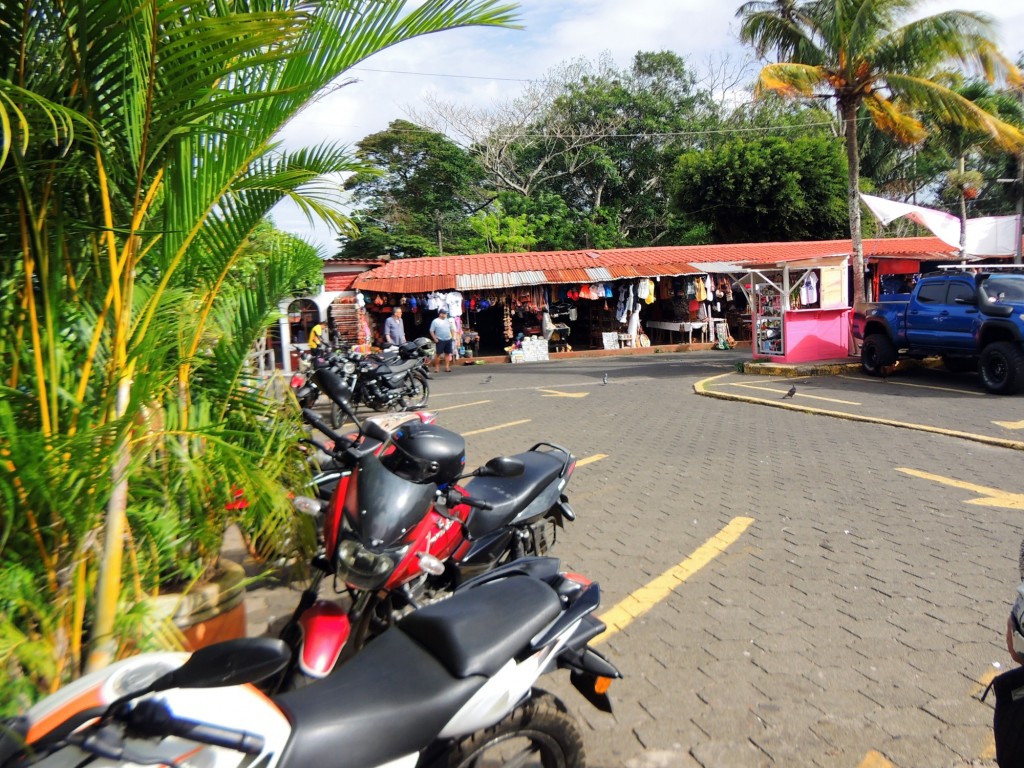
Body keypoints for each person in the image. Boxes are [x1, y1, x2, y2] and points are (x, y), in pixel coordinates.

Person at [429, 308, 454, 373]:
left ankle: (447, 367)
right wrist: (435, 338)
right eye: (444, 313)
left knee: (447, 354)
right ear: (440, 314)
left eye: (446, 313)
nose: (445, 314)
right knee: (438, 354)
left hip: (448, 339)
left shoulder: (448, 320)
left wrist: (453, 337)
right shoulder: (435, 321)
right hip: (439, 340)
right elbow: (431, 331)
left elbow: (452, 329)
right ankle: (437, 368)